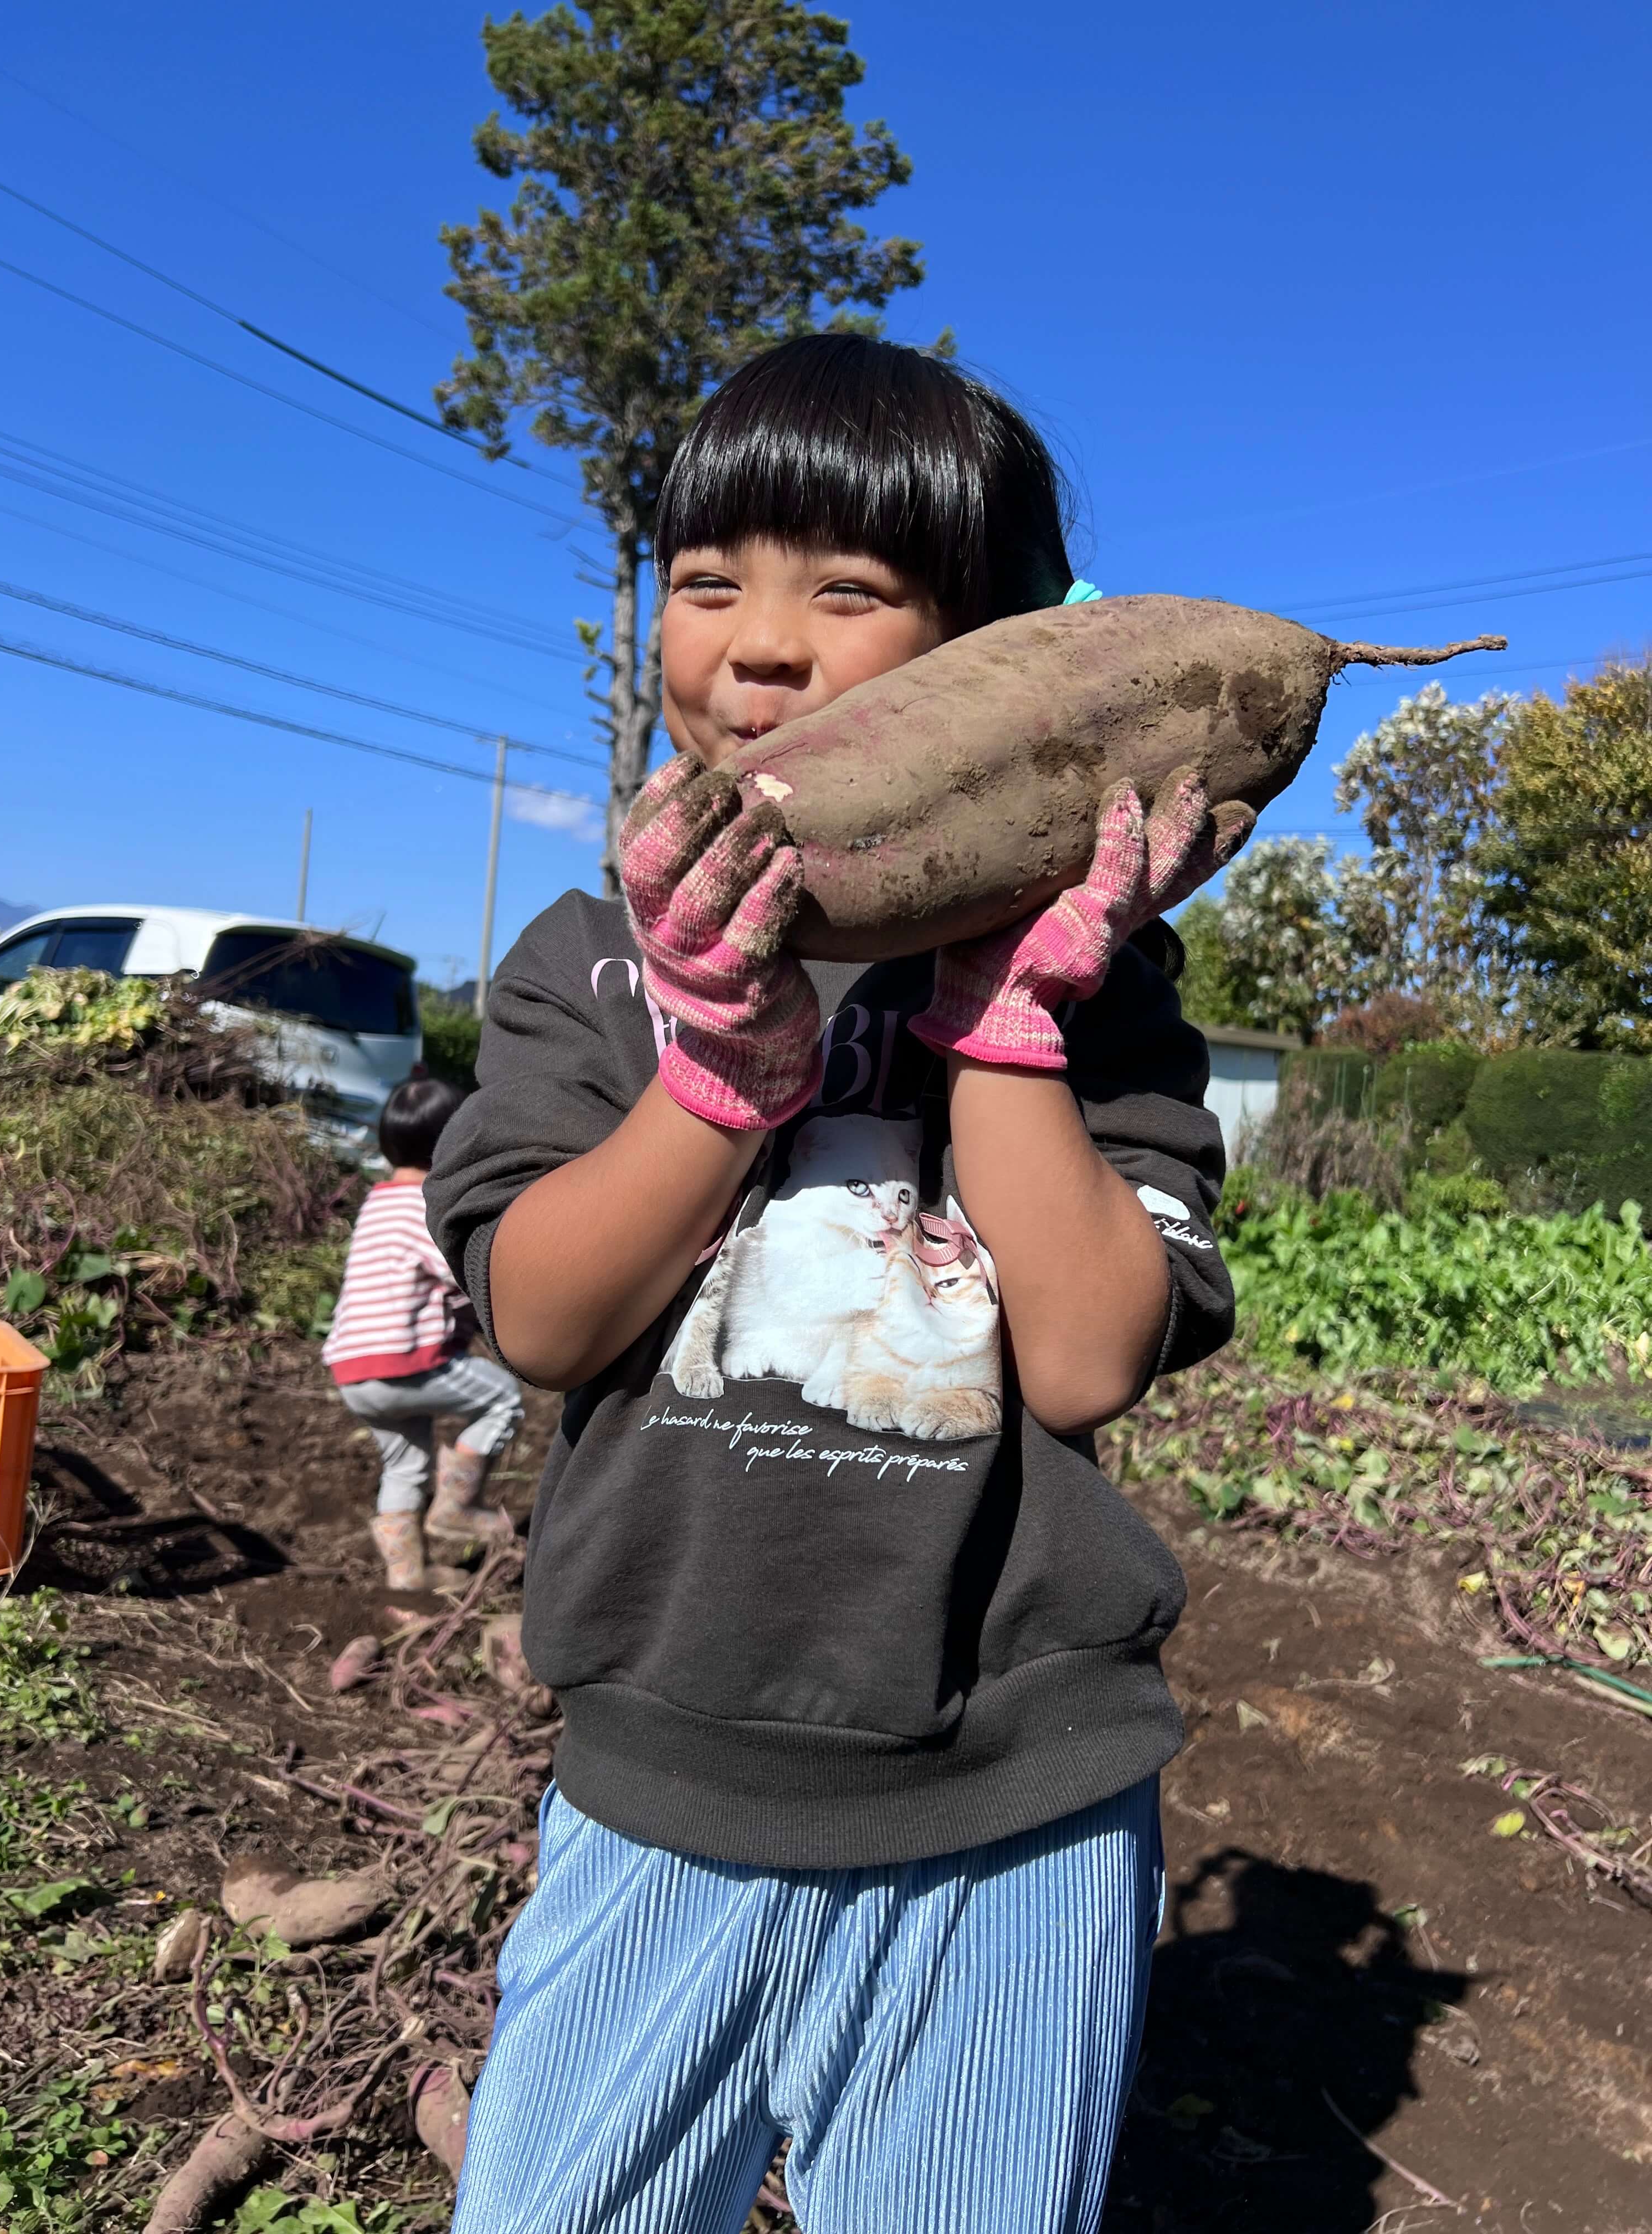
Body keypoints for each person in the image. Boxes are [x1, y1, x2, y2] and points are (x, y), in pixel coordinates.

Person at [427, 334, 1249, 2234]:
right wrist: (717, 1080)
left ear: (1000, 664)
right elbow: (541, 1318)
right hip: (659, 1776)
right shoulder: (593, 957)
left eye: (848, 591)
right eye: (708, 581)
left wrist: (1016, 1034)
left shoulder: (1099, 980)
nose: (757, 644)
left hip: (1012, 1800)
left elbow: (1083, 1356)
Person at [324, 1069, 522, 1591]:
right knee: (502, 1400)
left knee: (403, 1464)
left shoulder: (377, 1203)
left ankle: (408, 1577)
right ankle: (456, 1508)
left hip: (354, 1372)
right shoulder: (423, 1207)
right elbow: (459, 1269)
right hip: (405, 1360)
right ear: (455, 1143)